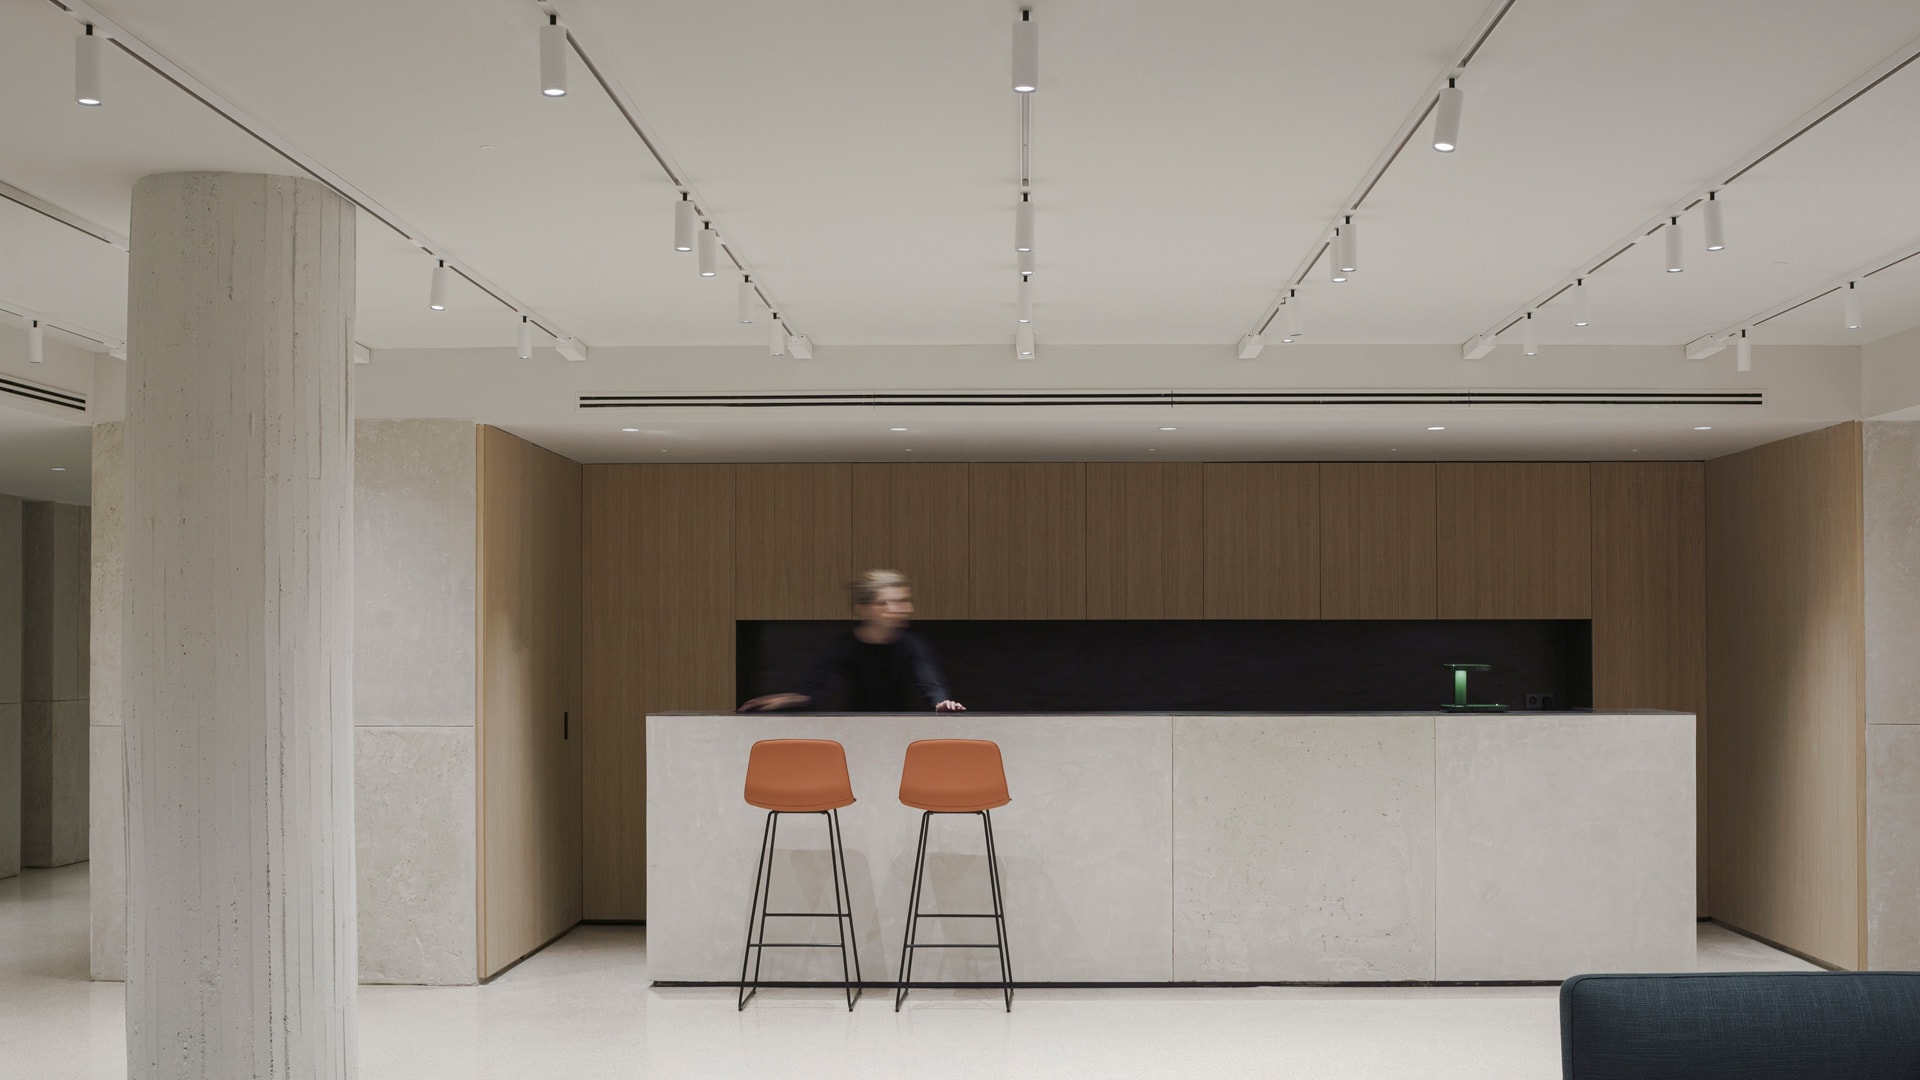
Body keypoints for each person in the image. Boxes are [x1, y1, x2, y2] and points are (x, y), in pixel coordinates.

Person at [738, 570, 966, 713]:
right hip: (853, 728)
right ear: (863, 609)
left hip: (901, 729)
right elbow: (812, 692)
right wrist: (786, 699)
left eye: (903, 601)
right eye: (884, 603)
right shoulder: (842, 647)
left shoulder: (913, 645)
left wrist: (943, 702)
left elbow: (932, 685)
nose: (898, 609)